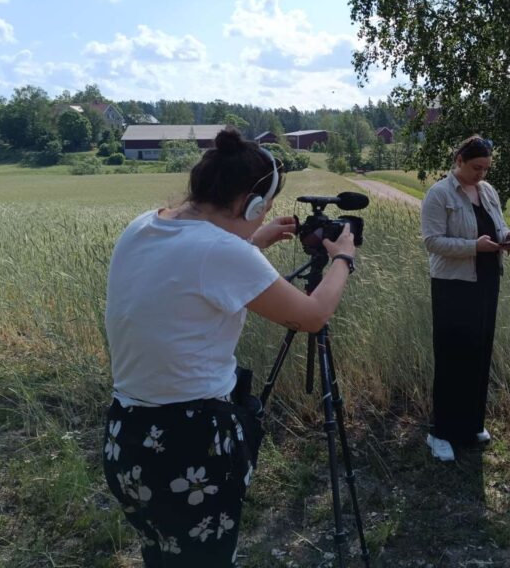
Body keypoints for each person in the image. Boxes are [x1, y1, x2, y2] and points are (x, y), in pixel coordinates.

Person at [102, 128, 357, 565]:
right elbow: (313, 315)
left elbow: (190, 267)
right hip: (189, 444)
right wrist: (342, 259)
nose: (262, 219)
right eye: (264, 211)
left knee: (164, 555)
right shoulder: (222, 252)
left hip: (127, 438)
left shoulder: (144, 225)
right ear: (251, 205)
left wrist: (253, 242)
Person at [420, 135, 510, 462]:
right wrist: (474, 247)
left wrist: (506, 237)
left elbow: (498, 225)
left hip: (487, 280)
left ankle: (472, 423)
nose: (481, 174)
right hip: (453, 285)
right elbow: (432, 241)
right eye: (476, 167)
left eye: (486, 168)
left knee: (479, 352)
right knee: (452, 357)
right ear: (459, 160)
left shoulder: (487, 191)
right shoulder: (439, 194)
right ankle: (440, 432)